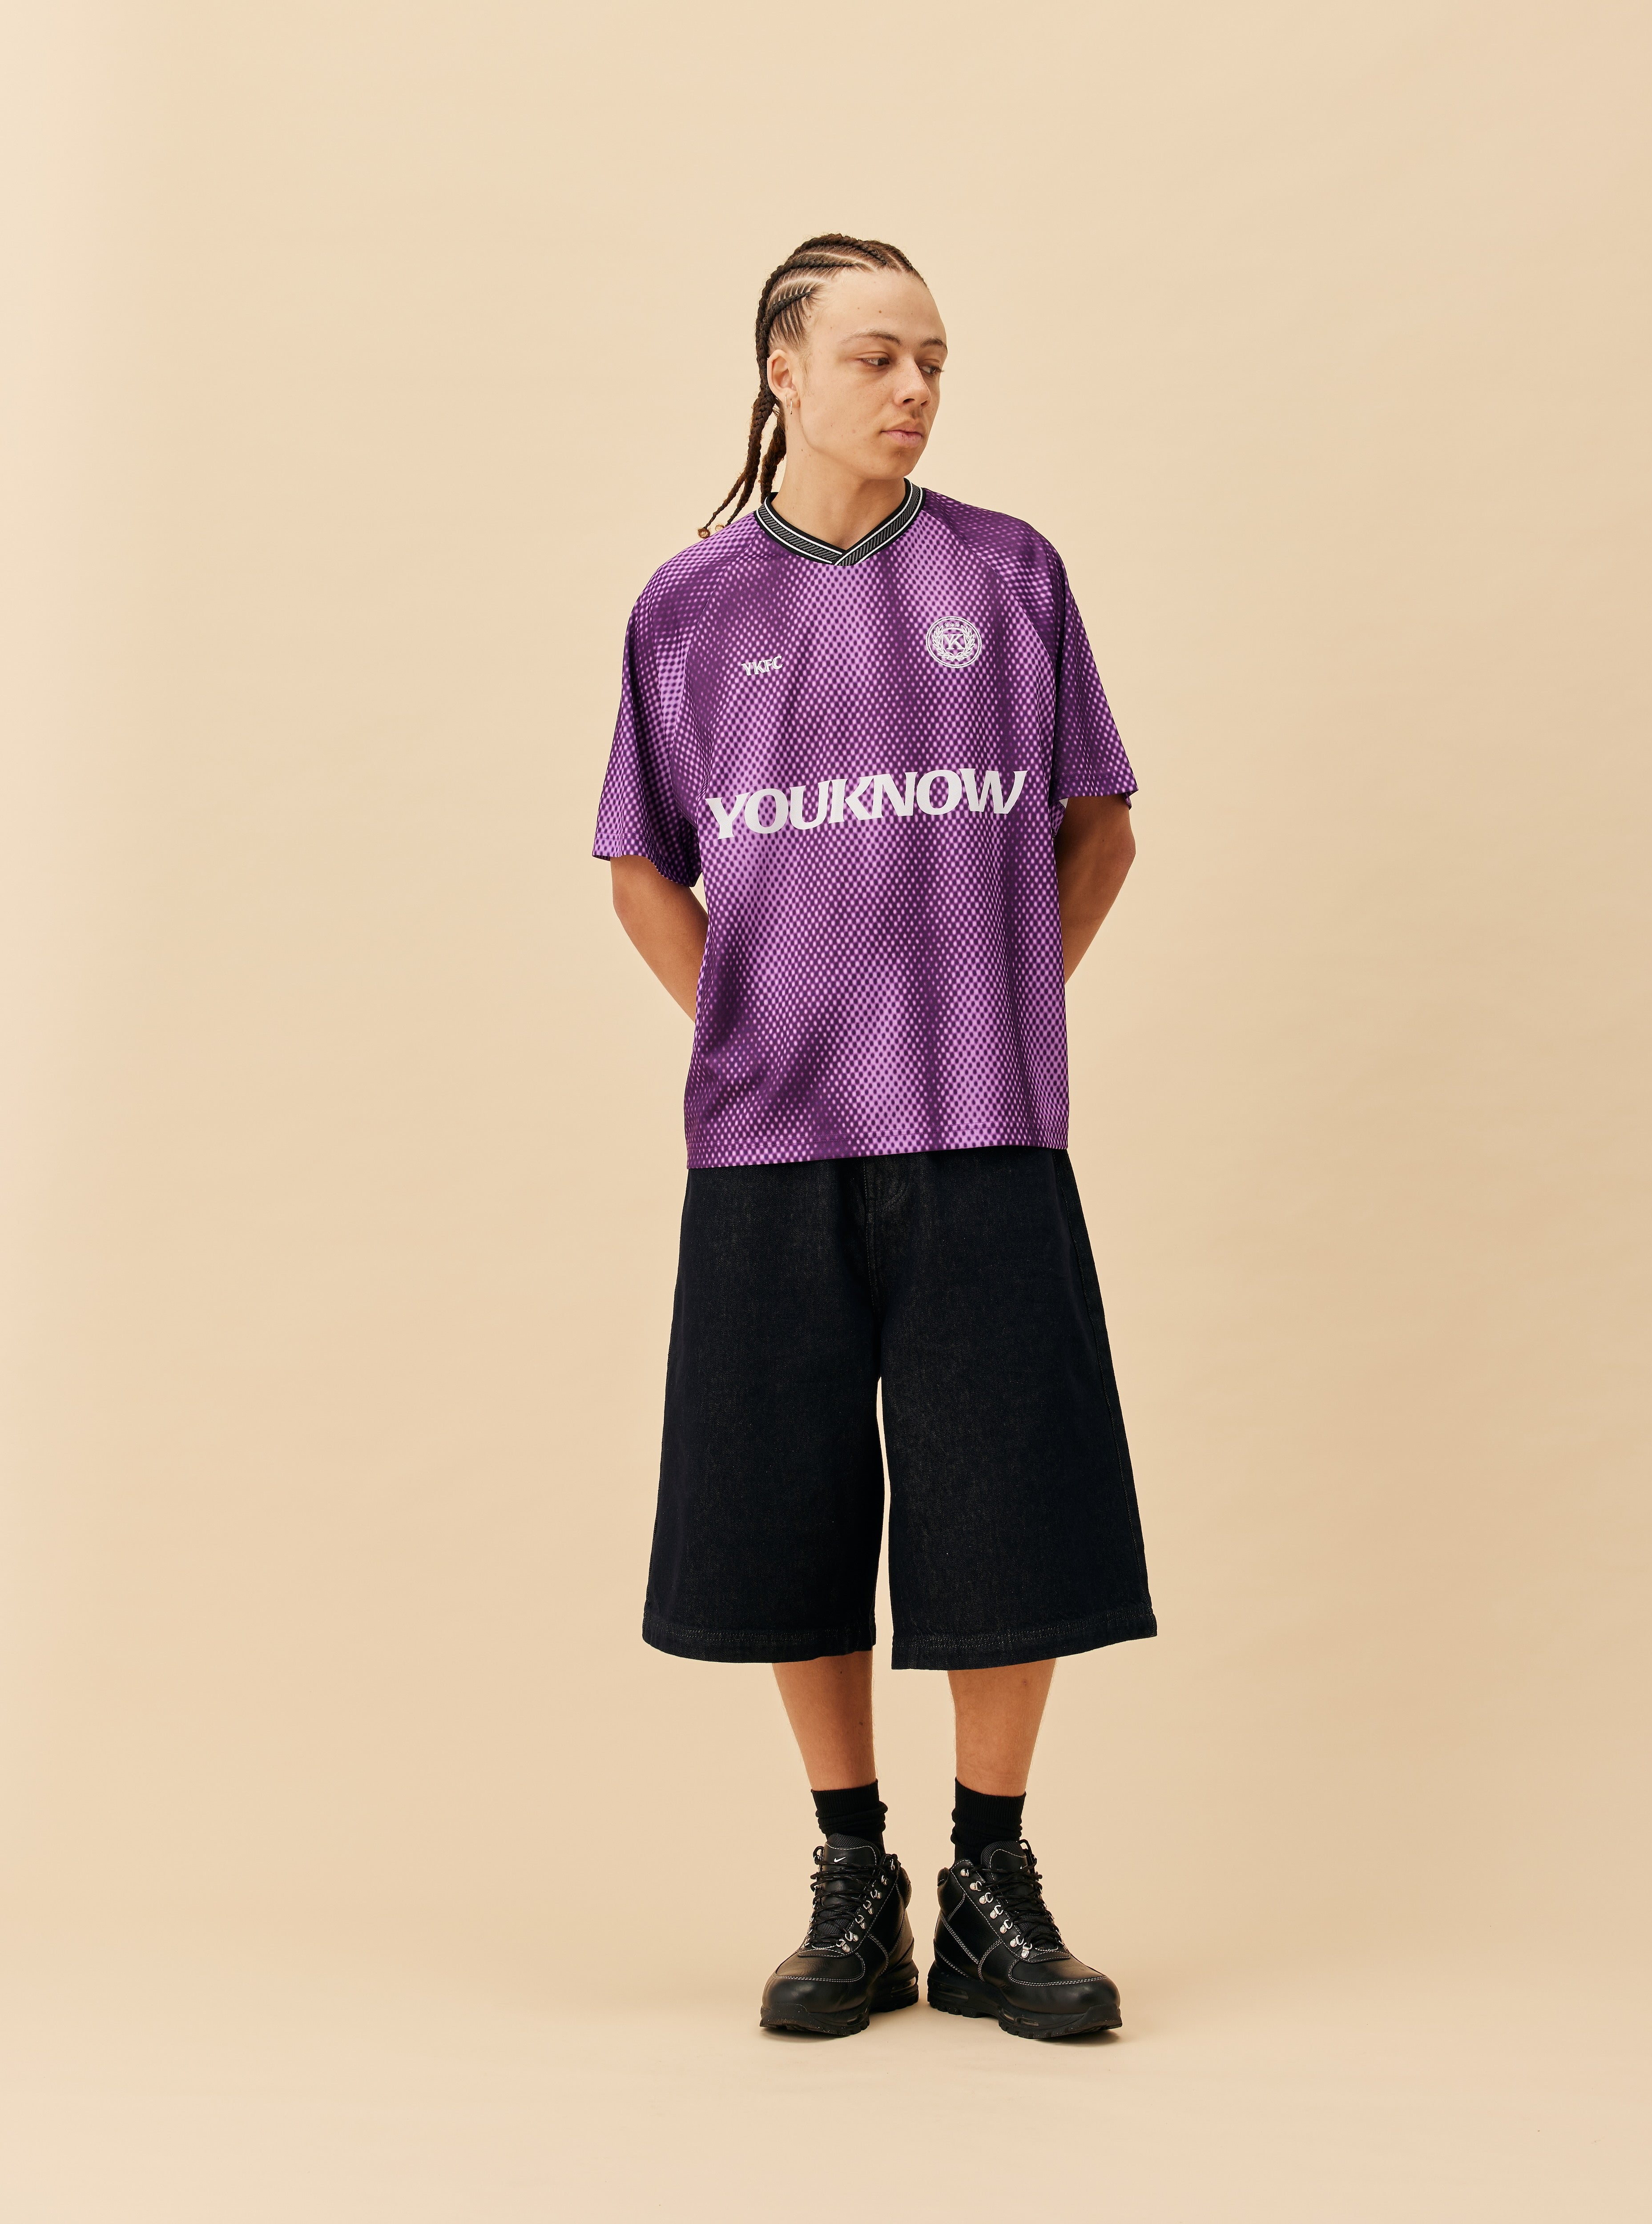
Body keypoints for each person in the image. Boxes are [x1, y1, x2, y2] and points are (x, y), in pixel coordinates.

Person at [594, 234, 1153, 2041]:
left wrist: (1004, 998)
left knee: (1013, 1499)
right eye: (875, 358)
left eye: (933, 361)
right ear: (785, 373)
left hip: (986, 1119)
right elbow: (639, 864)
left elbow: (1100, 829)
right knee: (791, 1506)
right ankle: (854, 1873)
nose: (913, 389)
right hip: (772, 1144)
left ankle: (992, 1879)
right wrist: (758, 1029)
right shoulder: (691, 608)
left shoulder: (1009, 573)